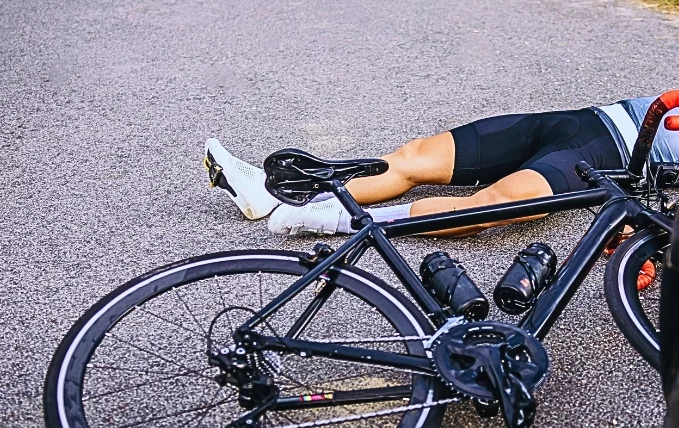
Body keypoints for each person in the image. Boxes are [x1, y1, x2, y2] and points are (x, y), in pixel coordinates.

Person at [204, 95, 679, 238]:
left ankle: (328, 218)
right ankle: (267, 192)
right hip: (582, 121)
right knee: (411, 159)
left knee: (493, 207)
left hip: (608, 158)